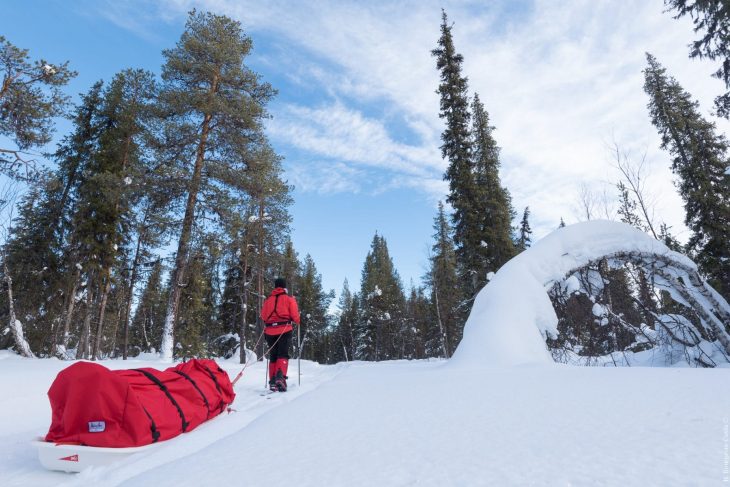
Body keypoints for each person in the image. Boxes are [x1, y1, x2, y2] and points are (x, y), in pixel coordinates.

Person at [261, 277, 300, 392]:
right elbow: (295, 318)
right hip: (284, 329)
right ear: (284, 287)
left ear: (275, 287)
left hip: (270, 331)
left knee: (273, 355)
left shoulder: (268, 301)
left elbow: (263, 316)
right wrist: (298, 319)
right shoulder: (289, 299)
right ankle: (280, 377)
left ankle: (273, 380)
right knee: (282, 354)